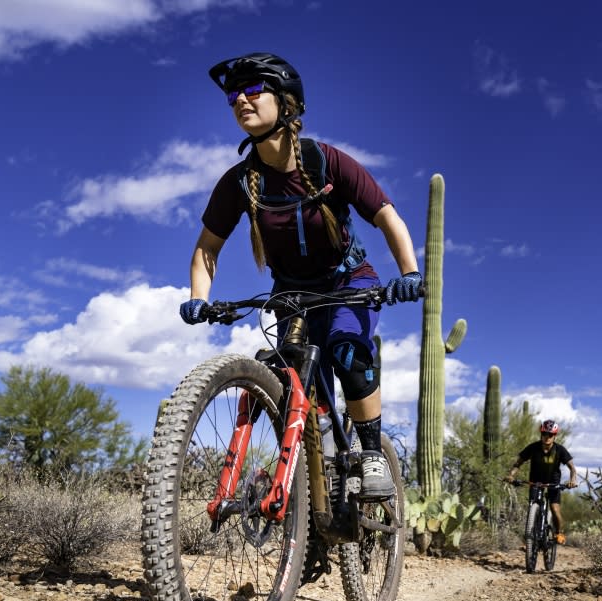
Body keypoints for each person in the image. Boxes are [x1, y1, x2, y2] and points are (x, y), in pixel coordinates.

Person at [179, 52, 423, 500]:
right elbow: (206, 248)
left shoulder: (328, 161)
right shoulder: (239, 182)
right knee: (291, 374)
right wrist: (199, 297)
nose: (240, 100)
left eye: (254, 91)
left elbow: (387, 216)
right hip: (290, 292)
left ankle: (371, 453)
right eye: (234, 95)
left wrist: (408, 272)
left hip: (348, 282)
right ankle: (313, 474)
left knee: (347, 351)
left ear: (287, 104)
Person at [506, 420, 578, 544]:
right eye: (544, 434)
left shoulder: (559, 450)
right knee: (532, 506)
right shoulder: (533, 447)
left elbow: (572, 468)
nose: (547, 437)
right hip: (535, 480)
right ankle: (531, 534)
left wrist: (572, 480)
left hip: (553, 481)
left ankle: (558, 532)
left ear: (554, 436)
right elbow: (518, 463)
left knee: (555, 509)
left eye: (550, 435)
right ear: (541, 434)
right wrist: (511, 475)